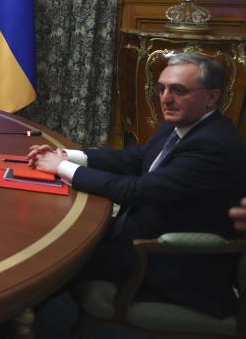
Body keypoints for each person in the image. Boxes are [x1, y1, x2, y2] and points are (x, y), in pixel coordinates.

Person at [27, 52, 246, 318]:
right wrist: (67, 156)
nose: (165, 98)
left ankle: (10, 322)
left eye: (179, 90)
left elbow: (138, 191)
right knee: (49, 240)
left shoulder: (213, 146)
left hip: (164, 260)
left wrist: (60, 168)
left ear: (212, 97)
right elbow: (137, 158)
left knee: (51, 258)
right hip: (138, 232)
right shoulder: (184, 123)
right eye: (161, 88)